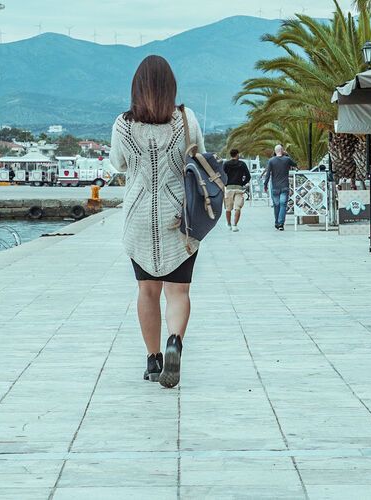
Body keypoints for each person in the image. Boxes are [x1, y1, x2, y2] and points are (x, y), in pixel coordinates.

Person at [109, 55, 205, 389]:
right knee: (178, 291)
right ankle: (175, 340)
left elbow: (118, 164)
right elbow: (199, 156)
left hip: (138, 218)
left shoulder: (123, 124)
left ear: (136, 88)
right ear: (171, 86)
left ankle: (153, 360)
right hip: (181, 217)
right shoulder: (185, 118)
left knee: (147, 291)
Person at [264, 144, 296, 230]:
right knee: (283, 204)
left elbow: (267, 174)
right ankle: (281, 223)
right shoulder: (287, 159)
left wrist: (265, 185)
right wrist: (287, 154)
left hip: (275, 187)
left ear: (274, 151)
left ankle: (277, 222)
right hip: (285, 186)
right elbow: (295, 164)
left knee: (276, 205)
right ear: (282, 151)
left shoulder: (271, 161)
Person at [223, 149, 251, 232]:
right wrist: (242, 183)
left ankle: (228, 224)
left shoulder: (226, 164)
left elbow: (222, 175)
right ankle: (235, 225)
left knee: (228, 208)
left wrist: (226, 184)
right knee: (237, 207)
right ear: (237, 154)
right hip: (239, 188)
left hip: (229, 188)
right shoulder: (242, 164)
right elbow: (248, 176)